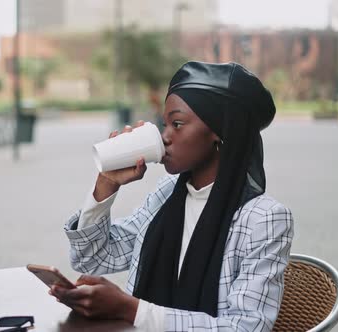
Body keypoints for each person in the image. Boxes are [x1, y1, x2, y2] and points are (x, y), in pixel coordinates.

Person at [49, 61, 294, 331]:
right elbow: (93, 258)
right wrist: (106, 184)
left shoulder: (264, 219)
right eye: (163, 124)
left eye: (177, 124)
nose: (164, 136)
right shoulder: (168, 193)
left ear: (220, 132)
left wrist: (131, 309)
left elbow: (247, 327)